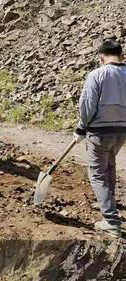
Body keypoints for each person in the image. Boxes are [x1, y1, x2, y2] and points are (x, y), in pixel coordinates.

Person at [74, 39, 126, 238]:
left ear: (101, 56)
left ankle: (112, 221)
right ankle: (110, 201)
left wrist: (81, 128)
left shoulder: (97, 74)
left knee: (97, 173)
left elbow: (88, 104)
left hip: (100, 131)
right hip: (121, 131)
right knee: (110, 165)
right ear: (120, 54)